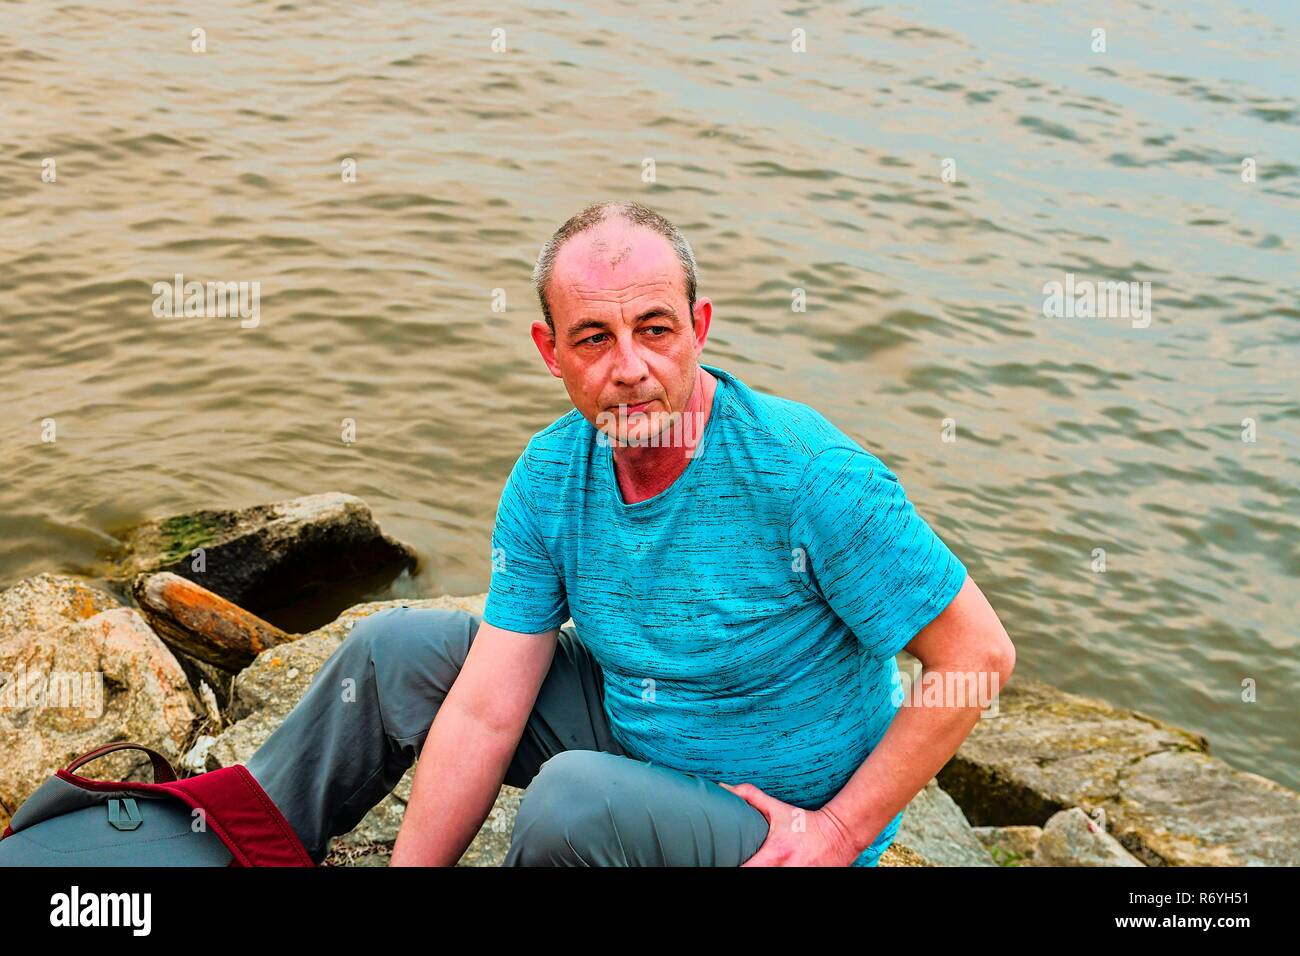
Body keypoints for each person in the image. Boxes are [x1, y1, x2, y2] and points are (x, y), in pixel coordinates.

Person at [246, 199, 1016, 867]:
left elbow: (978, 655)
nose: (629, 367)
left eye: (654, 329)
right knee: (395, 653)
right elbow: (486, 707)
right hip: (638, 734)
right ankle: (233, 844)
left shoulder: (812, 474)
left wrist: (840, 832)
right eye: (593, 338)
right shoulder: (550, 475)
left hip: (771, 817)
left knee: (571, 803)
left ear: (699, 327)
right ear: (551, 352)